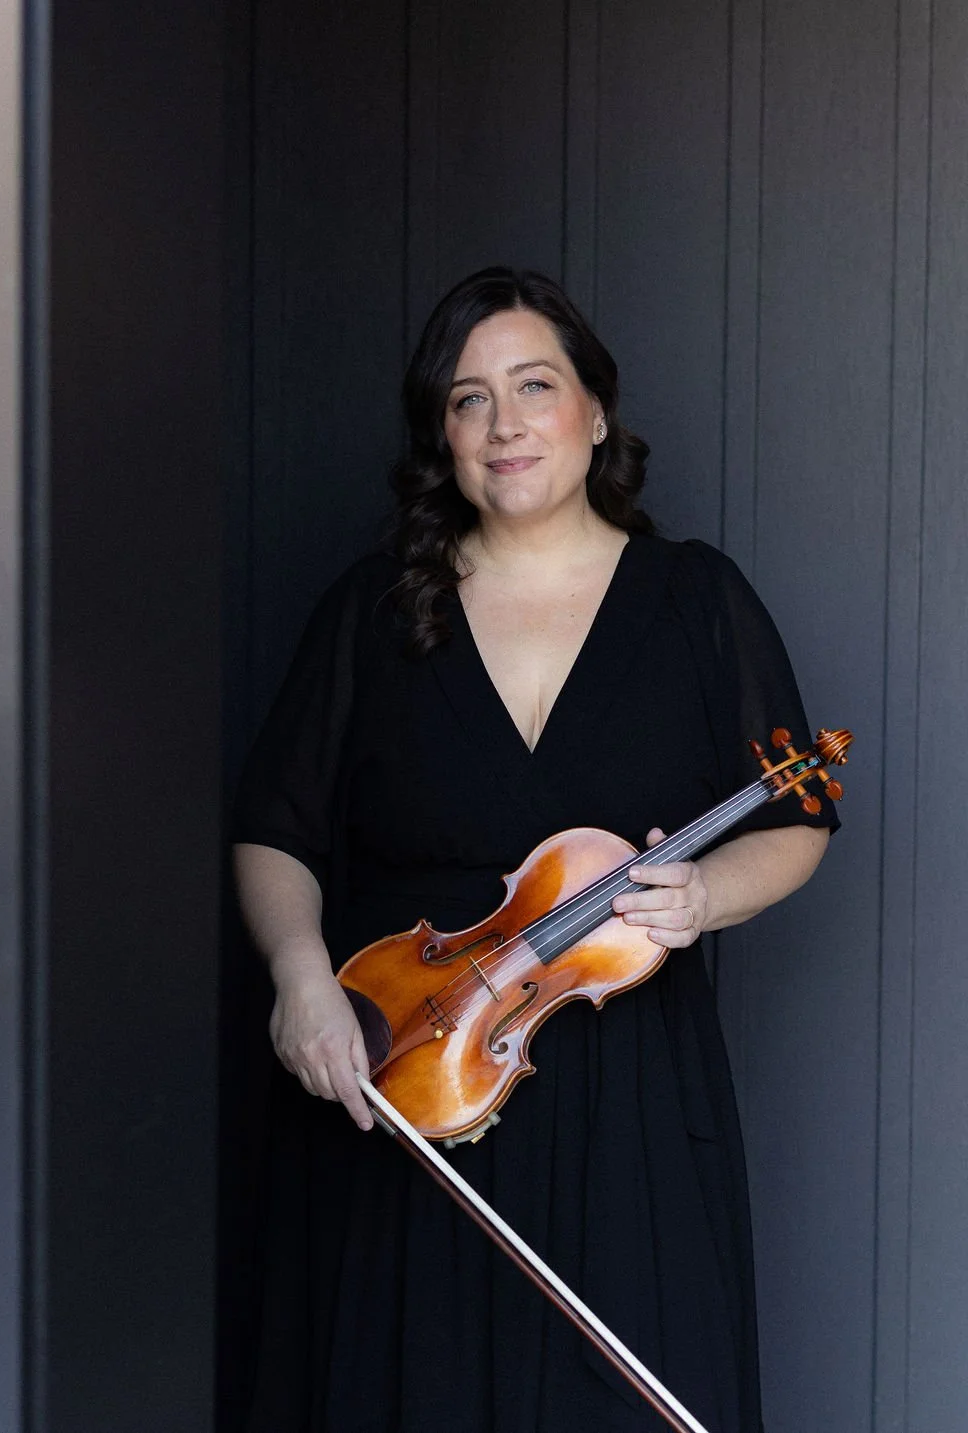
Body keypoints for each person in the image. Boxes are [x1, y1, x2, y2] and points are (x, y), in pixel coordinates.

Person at [233, 267, 836, 1433]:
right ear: (441, 434)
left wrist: (703, 892)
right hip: (403, 1070)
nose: (504, 426)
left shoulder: (694, 599)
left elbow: (795, 817)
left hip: (634, 1098)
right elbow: (277, 825)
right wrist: (302, 978)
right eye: (468, 399)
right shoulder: (375, 608)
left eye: (534, 385)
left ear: (595, 410)